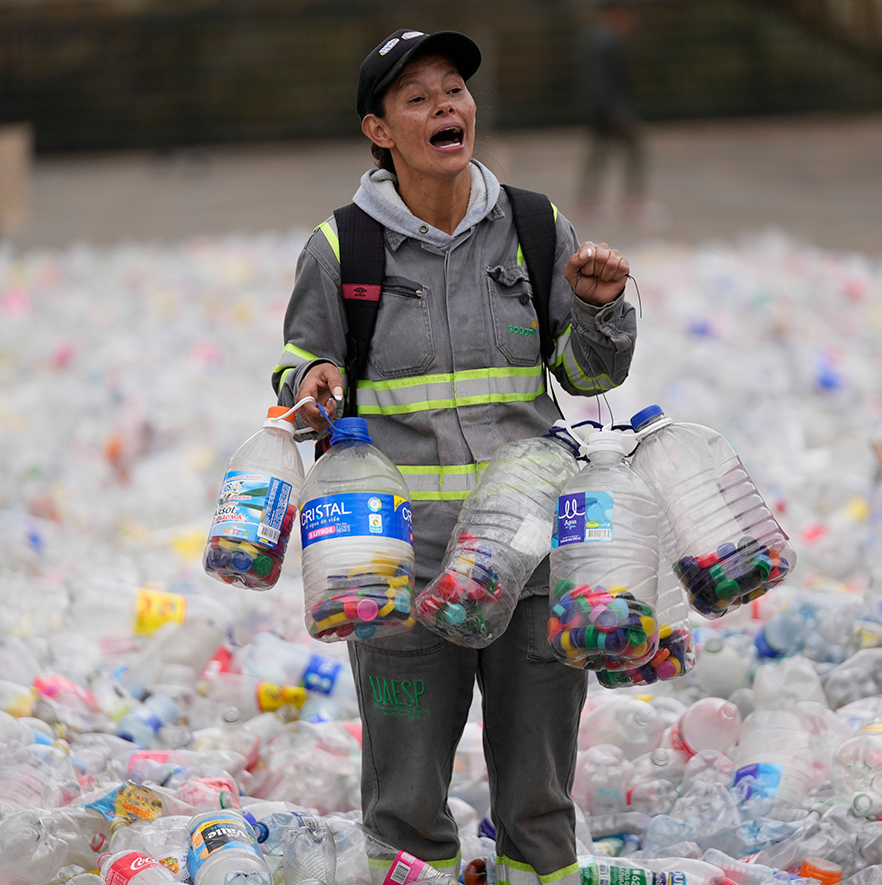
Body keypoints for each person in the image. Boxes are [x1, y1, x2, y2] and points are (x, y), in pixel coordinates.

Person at [272, 29, 636, 885]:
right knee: (404, 801)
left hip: (531, 558)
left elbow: (588, 376)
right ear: (379, 130)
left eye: (454, 90)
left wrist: (601, 310)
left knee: (540, 800)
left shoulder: (536, 226)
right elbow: (301, 365)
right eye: (418, 97)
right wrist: (312, 380)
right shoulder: (343, 247)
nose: (446, 105)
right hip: (402, 568)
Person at [576, 1, 649, 224]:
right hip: (609, 111)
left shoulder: (596, 38)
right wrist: (615, 112)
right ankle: (632, 202)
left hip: (601, 109)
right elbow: (602, 81)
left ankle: (589, 202)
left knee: (598, 154)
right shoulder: (606, 41)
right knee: (632, 149)